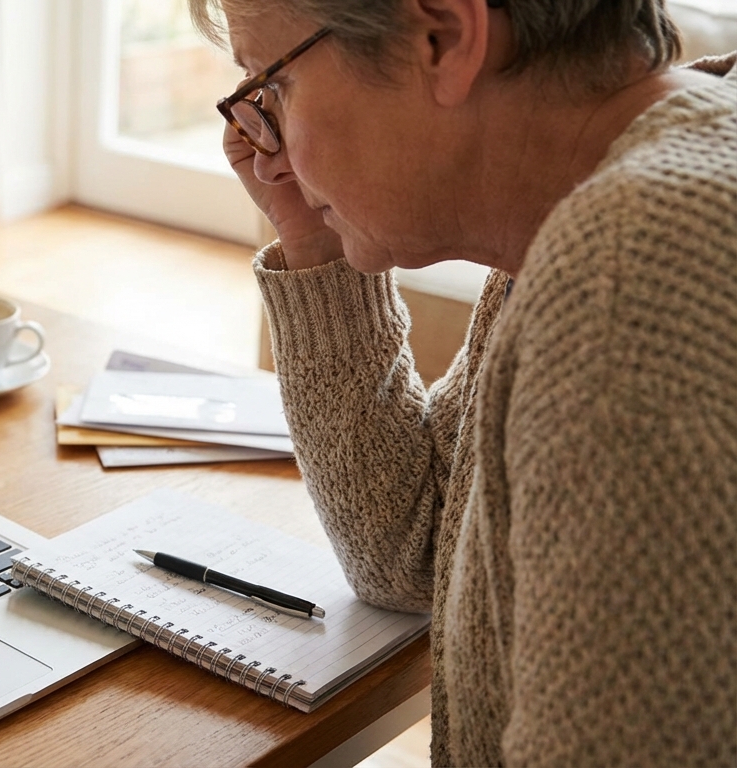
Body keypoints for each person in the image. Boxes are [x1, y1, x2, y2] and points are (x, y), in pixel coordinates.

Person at [187, 0, 736, 764]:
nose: (262, 140)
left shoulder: (631, 278)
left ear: (440, 38)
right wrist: (312, 231)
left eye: (271, 88)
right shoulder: (586, 205)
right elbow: (418, 548)